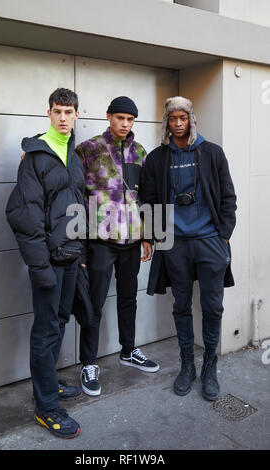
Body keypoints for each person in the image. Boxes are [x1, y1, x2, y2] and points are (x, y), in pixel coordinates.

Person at [143, 96, 237, 401]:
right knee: (181, 305)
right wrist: (154, 236)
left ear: (191, 119)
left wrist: (224, 234)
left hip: (209, 241)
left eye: (183, 118)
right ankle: (187, 366)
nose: (179, 123)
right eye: (173, 119)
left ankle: (210, 366)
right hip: (175, 243)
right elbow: (147, 198)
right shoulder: (158, 158)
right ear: (167, 122)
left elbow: (227, 196)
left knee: (213, 307)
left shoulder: (211, 153)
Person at [6, 88, 87, 439]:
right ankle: (46, 407)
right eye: (58, 111)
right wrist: (40, 268)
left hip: (71, 258)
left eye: (69, 111)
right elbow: (24, 217)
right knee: (44, 330)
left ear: (77, 115)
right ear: (49, 114)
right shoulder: (36, 156)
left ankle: (48, 383)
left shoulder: (74, 155)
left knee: (58, 322)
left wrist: (80, 252)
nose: (64, 117)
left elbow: (78, 206)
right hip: (48, 262)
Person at [75, 96, 160, 396]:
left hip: (132, 241)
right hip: (100, 241)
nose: (125, 124)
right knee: (93, 303)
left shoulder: (141, 153)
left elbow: (149, 195)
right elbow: (72, 191)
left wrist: (149, 236)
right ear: (109, 116)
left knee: (128, 299)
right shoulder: (88, 149)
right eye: (120, 117)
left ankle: (128, 350)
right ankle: (88, 362)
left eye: (130, 119)